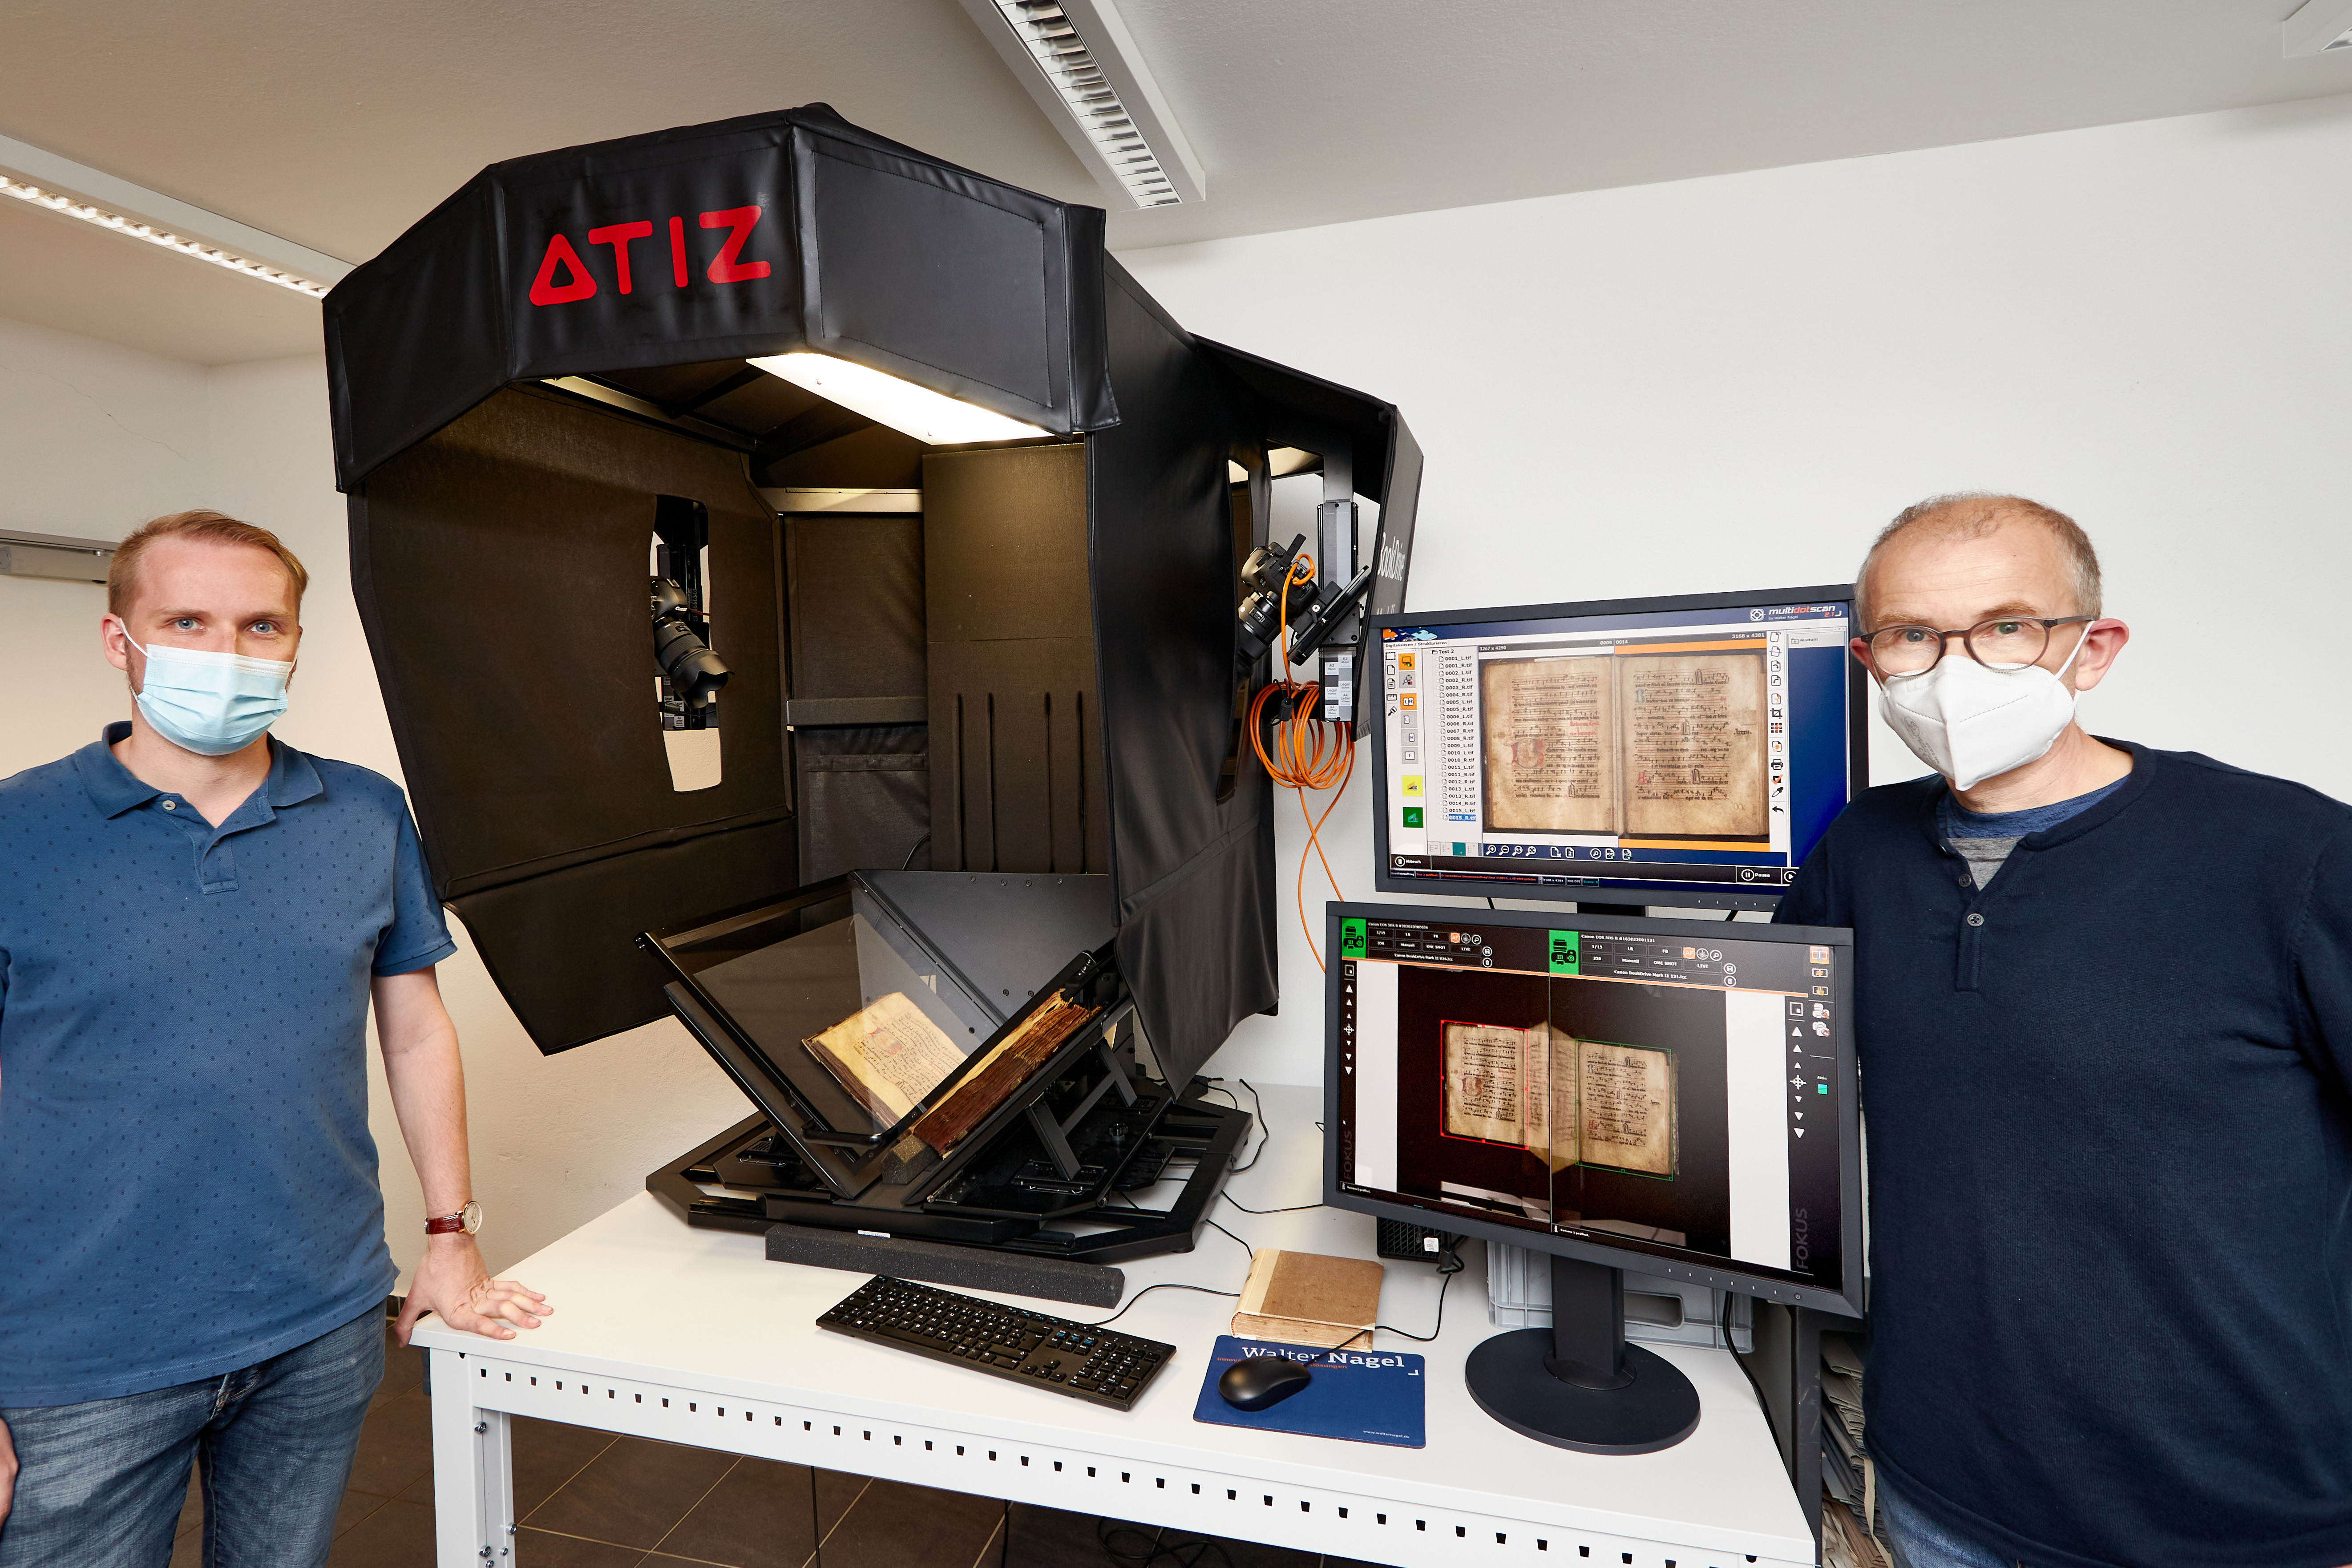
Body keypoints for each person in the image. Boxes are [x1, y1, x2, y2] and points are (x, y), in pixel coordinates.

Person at [1778, 493, 2352, 1568]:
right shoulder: (1861, 852)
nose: (1954, 671)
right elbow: (1752, 1072)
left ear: (2093, 650)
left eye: (2005, 627)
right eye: (1912, 636)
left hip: (2238, 1520)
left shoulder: (2296, 857)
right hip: (1938, 1487)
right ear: (1869, 658)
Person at [0, 511, 551, 1568]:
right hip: (77, 1355)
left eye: (261, 625)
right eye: (188, 621)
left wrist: (450, 1231)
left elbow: (416, 1029)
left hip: (316, 1320)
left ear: (295, 644)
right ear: (121, 642)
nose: (226, 653)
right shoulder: (18, 831)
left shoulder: (363, 812)